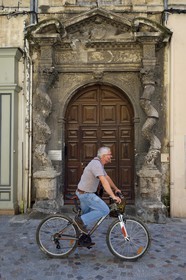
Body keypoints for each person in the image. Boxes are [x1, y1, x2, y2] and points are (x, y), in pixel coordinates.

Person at [74, 146, 122, 235]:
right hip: (86, 194)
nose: (111, 156)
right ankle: (79, 221)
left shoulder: (99, 164)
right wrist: (113, 196)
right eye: (109, 154)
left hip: (84, 193)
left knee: (84, 221)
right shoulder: (96, 164)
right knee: (105, 210)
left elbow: (107, 177)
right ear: (103, 156)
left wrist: (115, 189)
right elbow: (103, 181)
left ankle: (81, 239)